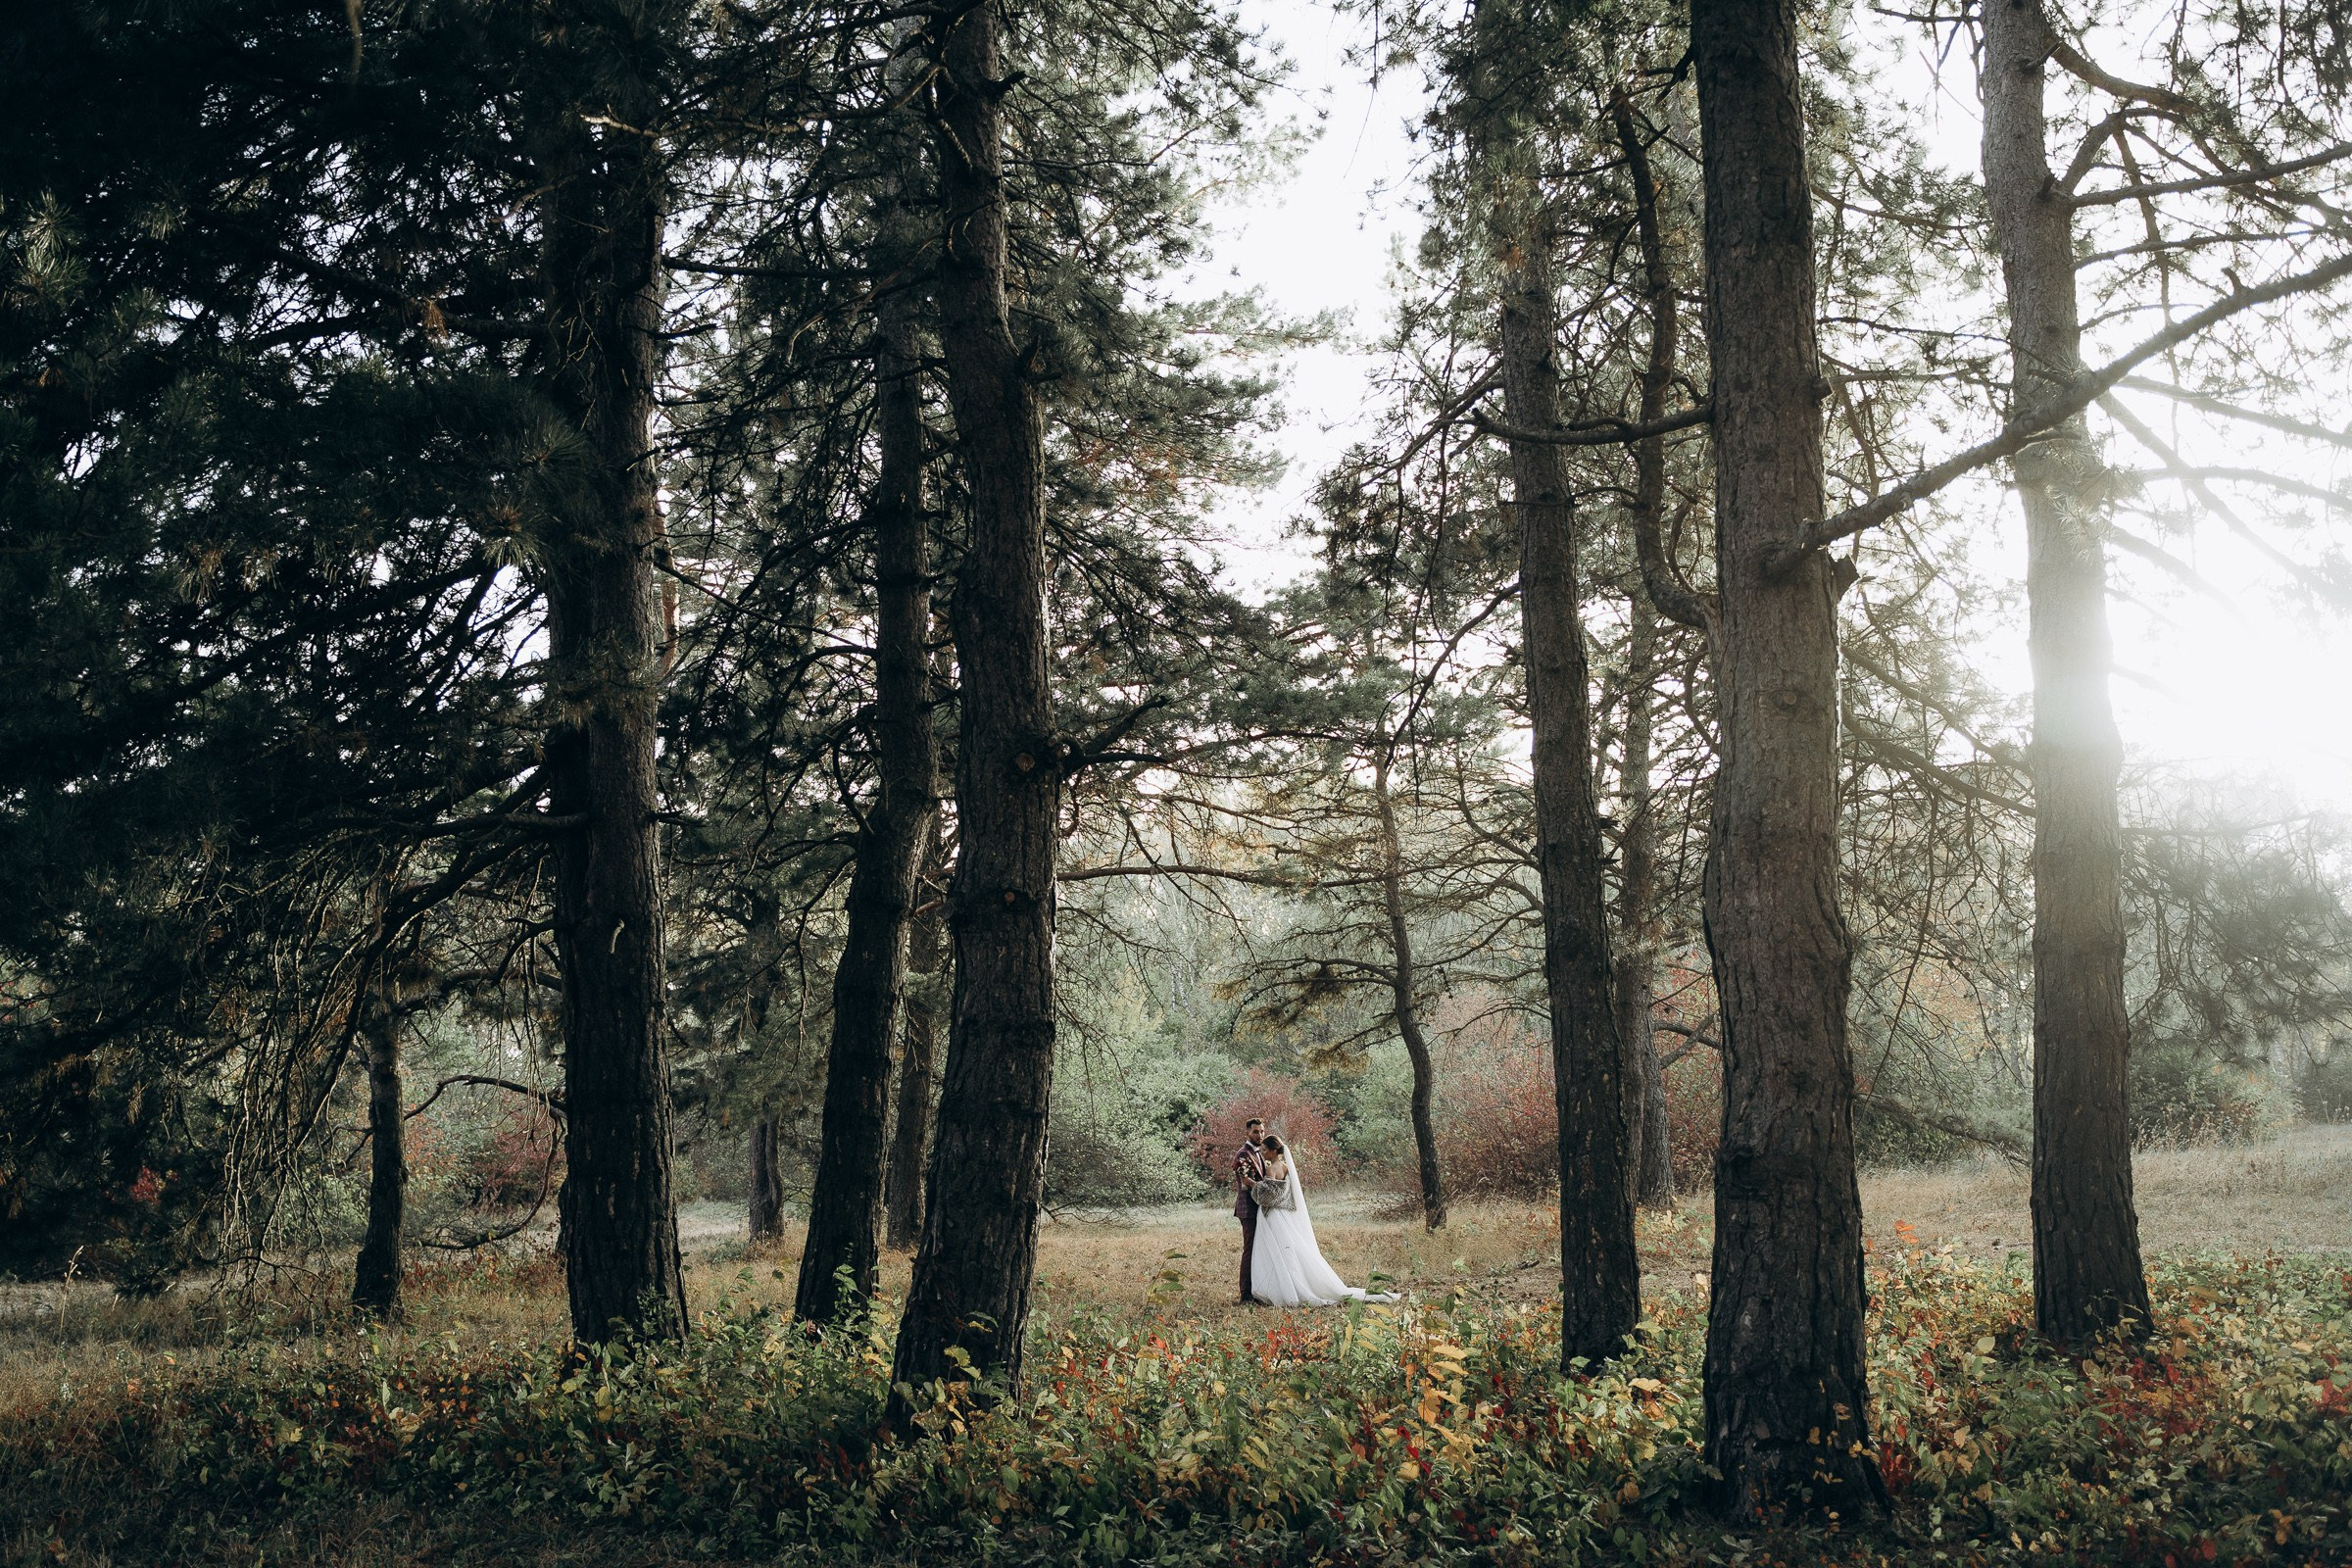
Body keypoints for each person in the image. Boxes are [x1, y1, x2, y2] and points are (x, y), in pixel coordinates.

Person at [1249, 1134, 1401, 1307]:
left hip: (1275, 1216)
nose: (1262, 1153)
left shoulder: (1271, 1170)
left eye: (1265, 1150)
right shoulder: (1286, 1167)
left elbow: (1268, 1196)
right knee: (1288, 1251)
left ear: (1274, 1150)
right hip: (1285, 1215)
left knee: (1276, 1251)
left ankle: (1286, 1289)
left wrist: (1252, 1184)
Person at [1232, 1117, 1268, 1304]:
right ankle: (1245, 1295)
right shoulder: (1243, 1154)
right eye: (1256, 1131)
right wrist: (1267, 1193)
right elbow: (1247, 1181)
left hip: (1258, 1207)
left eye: (1262, 1131)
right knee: (1250, 1250)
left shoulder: (1258, 1153)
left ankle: (1256, 1291)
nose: (1260, 1134)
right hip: (1248, 1208)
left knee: (1257, 1250)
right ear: (1247, 1132)